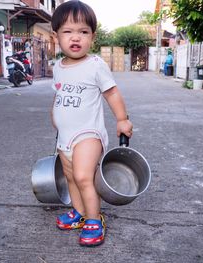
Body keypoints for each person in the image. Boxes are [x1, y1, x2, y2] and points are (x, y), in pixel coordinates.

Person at [50, 0, 133, 247]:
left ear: (92, 37)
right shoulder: (58, 67)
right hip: (65, 135)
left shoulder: (95, 65)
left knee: (84, 176)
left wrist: (122, 119)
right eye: (68, 31)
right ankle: (79, 212)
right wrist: (53, 113)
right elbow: (58, 94)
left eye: (83, 32)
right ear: (56, 37)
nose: (76, 37)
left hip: (88, 134)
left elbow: (112, 93)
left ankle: (95, 219)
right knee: (70, 177)